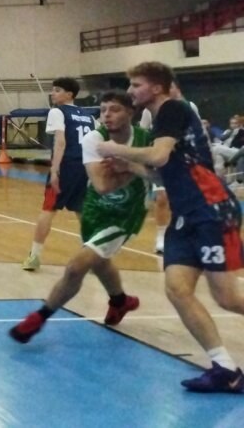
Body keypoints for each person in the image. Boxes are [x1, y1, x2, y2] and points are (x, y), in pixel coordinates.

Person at [98, 62, 244, 393]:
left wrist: (114, 148)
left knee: (228, 298)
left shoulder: (172, 108)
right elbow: (162, 172)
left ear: (156, 88)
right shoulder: (161, 119)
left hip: (210, 210)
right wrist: (129, 166)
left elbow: (160, 156)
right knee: (177, 289)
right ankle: (225, 369)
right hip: (186, 214)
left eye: (136, 85)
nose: (131, 91)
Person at [10, 91, 151, 343]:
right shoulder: (94, 139)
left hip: (125, 213)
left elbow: (160, 174)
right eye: (103, 109)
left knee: (77, 267)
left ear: (130, 112)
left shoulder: (145, 139)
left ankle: (39, 318)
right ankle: (120, 300)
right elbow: (102, 186)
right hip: (95, 207)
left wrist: (127, 165)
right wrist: (137, 168)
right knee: (99, 261)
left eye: (114, 109)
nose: (107, 115)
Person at [23, 77, 96, 271]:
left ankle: (34, 257)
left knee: (48, 209)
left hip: (66, 166)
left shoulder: (57, 111)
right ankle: (92, 259)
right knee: (83, 212)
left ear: (69, 94)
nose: (52, 93)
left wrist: (55, 170)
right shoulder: (88, 116)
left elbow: (61, 142)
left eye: (57, 90)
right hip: (85, 167)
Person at [139, 82, 199, 254]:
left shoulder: (189, 106)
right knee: (162, 198)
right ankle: (161, 236)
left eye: (170, 87)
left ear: (177, 89)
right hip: (162, 158)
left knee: (187, 199)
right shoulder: (149, 110)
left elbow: (197, 132)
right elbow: (142, 132)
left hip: (185, 158)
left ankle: (188, 235)